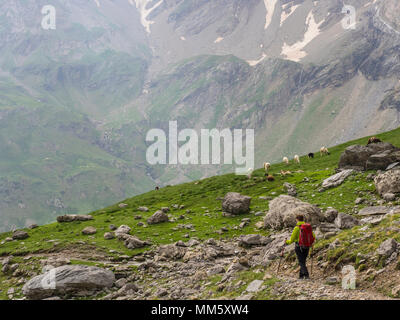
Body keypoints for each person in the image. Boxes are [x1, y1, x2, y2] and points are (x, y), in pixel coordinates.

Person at [285, 214, 315, 279]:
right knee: (303, 261)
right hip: (307, 246)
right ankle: (301, 276)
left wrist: (286, 241)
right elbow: (313, 236)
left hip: (299, 246)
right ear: (303, 219)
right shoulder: (308, 227)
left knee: (301, 261)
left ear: (297, 219)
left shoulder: (296, 228)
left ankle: (306, 275)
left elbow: (292, 240)